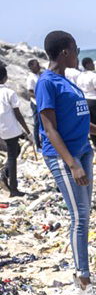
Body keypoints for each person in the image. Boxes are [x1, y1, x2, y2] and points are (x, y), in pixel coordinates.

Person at [36, 31, 96, 295]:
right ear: (65, 52)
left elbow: (76, 118)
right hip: (65, 157)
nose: (79, 53)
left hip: (84, 151)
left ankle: (83, 273)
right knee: (79, 217)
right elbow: (49, 127)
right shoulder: (47, 83)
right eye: (76, 49)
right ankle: (83, 281)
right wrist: (72, 164)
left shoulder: (65, 80)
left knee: (84, 213)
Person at [0, 65, 32, 197]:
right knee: (13, 156)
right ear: (5, 77)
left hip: (1, 129)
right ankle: (13, 188)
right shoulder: (9, 92)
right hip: (10, 129)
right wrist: (27, 131)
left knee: (15, 151)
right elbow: (18, 114)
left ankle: (6, 172)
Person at [77, 57, 96, 150]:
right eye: (92, 63)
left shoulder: (80, 76)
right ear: (87, 64)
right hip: (95, 101)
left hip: (85, 101)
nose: (94, 65)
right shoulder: (93, 76)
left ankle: (95, 145)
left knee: (91, 124)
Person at [26, 59, 42, 149]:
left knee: (43, 122)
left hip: (40, 103)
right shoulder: (30, 78)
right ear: (31, 67)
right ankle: (38, 145)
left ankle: (44, 141)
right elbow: (30, 92)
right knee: (37, 124)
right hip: (36, 103)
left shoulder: (38, 75)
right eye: (37, 64)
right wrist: (40, 97)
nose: (39, 66)